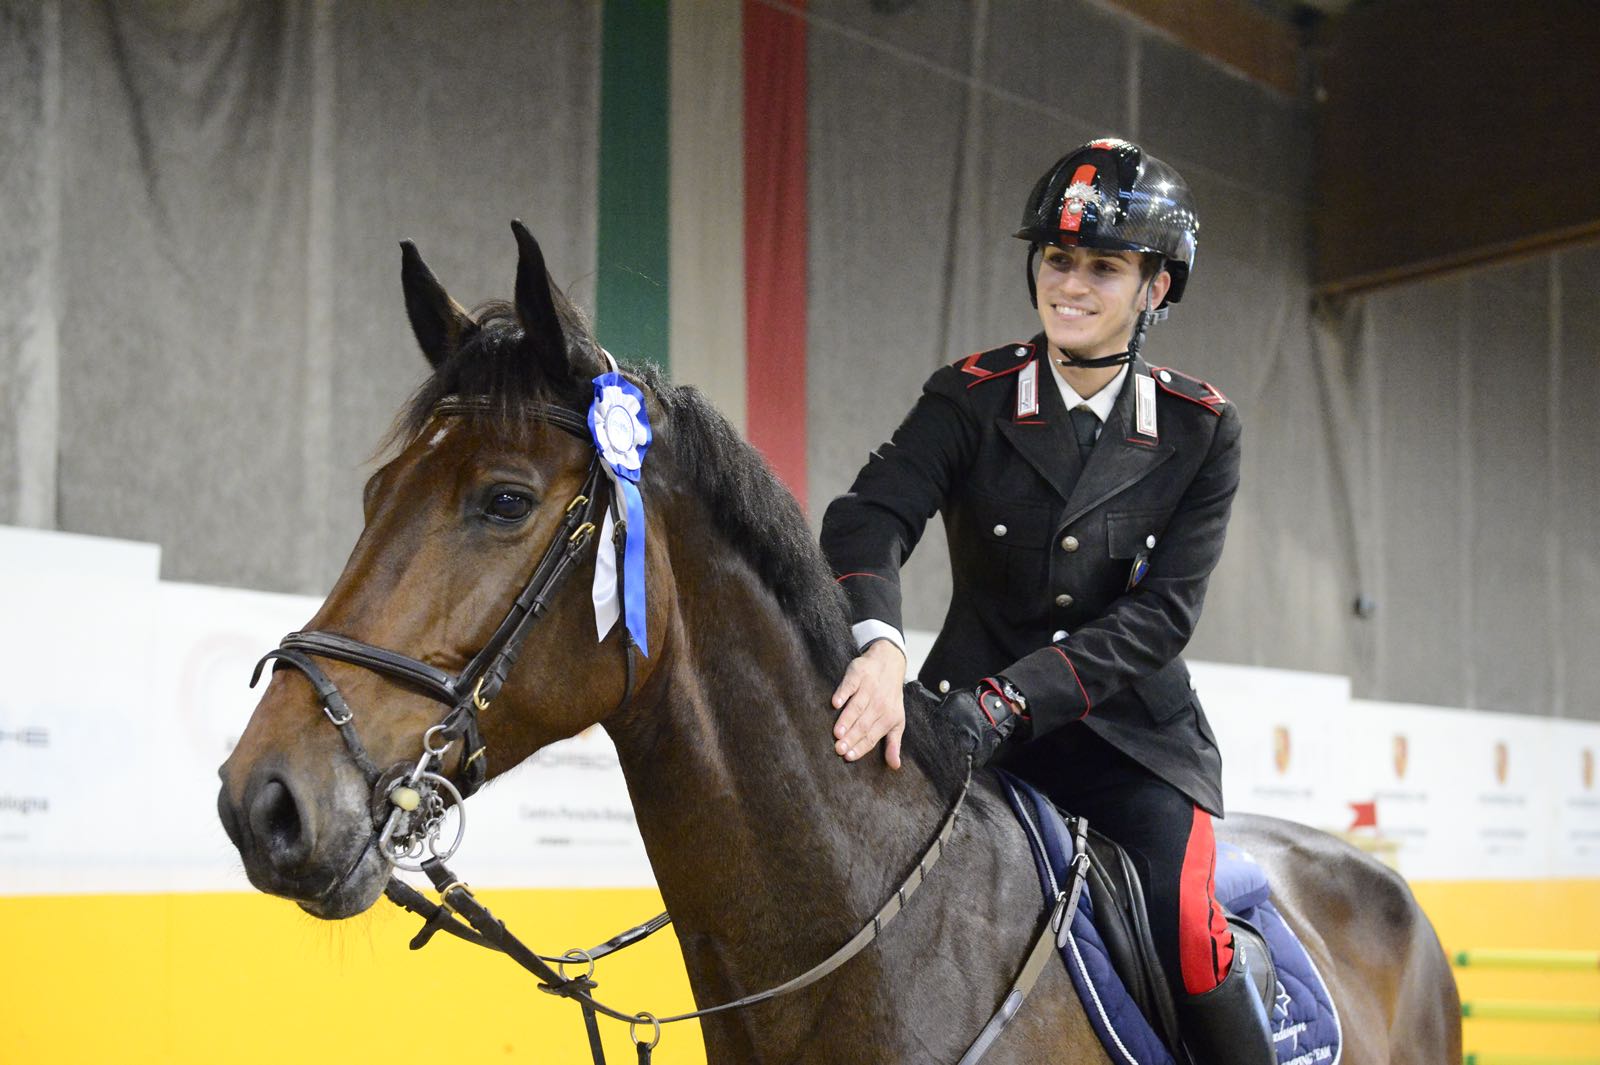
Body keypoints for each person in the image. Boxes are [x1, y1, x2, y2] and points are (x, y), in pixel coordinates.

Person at [819, 137, 1270, 1064]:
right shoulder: (969, 396)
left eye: (1104, 266)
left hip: (1130, 744)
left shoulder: (1200, 429)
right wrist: (881, 645)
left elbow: (1161, 615)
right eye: (1058, 258)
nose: (1071, 284)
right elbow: (870, 515)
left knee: (1190, 937)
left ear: (1155, 288)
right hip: (960, 727)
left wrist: (1011, 698)